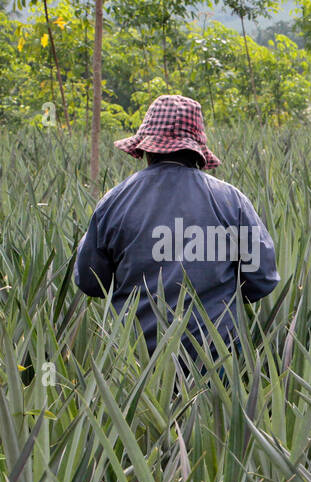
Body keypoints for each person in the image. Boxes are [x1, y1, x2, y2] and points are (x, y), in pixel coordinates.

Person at [74, 94, 279, 361]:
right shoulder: (231, 201)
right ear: (196, 151)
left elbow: (91, 282)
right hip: (217, 356)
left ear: (147, 149)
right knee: (223, 401)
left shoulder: (114, 201)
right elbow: (262, 280)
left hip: (137, 358)